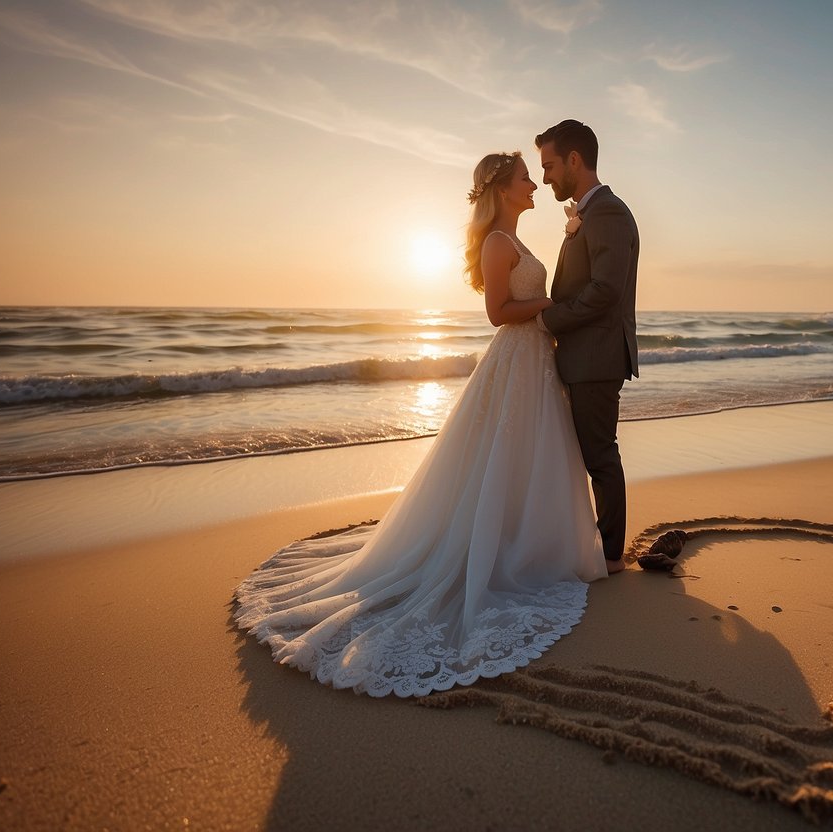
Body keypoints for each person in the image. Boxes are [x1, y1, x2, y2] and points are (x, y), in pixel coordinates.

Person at [233, 151, 607, 698]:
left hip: (534, 359)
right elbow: (499, 312)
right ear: (504, 190)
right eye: (526, 178)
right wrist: (559, 302)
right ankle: (497, 550)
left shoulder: (516, 241)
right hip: (516, 355)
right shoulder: (499, 245)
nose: (535, 185)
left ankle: (526, 540)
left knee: (527, 455)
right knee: (502, 454)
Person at [534, 120, 640, 574]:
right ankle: (595, 542)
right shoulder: (589, 213)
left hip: (597, 357)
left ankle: (612, 555)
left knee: (599, 455)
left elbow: (605, 291)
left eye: (550, 165)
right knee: (590, 453)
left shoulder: (609, 212)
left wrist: (547, 318)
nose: (545, 177)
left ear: (574, 160)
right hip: (582, 357)